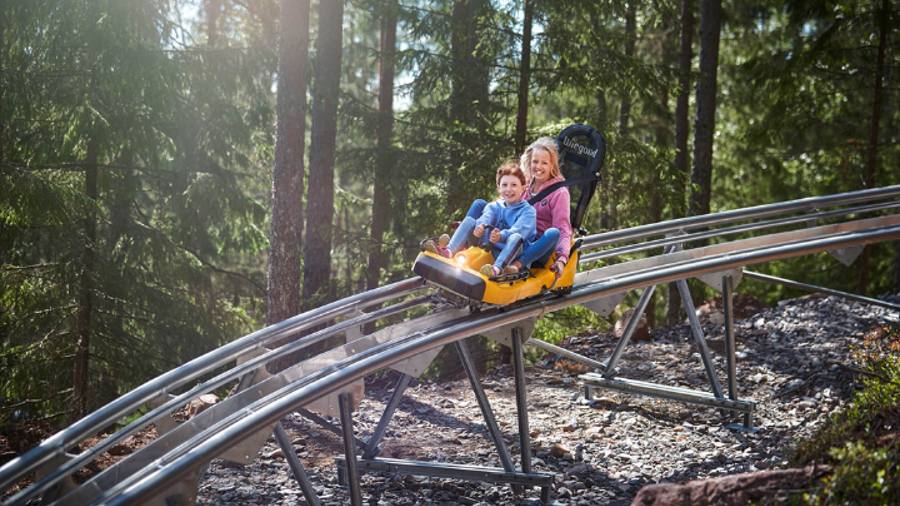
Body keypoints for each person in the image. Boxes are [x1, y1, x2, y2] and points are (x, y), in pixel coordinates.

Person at [424, 163, 536, 277]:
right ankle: (448, 251)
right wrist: (480, 226)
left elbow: (519, 231)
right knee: (469, 220)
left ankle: (496, 269)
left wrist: (501, 236)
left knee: (515, 237)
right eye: (504, 185)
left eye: (514, 185)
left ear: (523, 187)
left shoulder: (528, 211)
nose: (508, 189)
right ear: (499, 188)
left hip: (511, 252)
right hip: (490, 248)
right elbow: (486, 216)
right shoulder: (495, 206)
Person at [509, 137, 572, 278]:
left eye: (544, 163)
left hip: (538, 246)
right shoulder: (524, 183)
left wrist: (561, 259)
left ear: (552, 166)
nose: (538, 167)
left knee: (553, 233)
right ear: (530, 162)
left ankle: (518, 265)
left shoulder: (559, 193)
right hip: (517, 236)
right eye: (535, 162)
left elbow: (563, 228)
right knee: (480, 204)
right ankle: (455, 246)